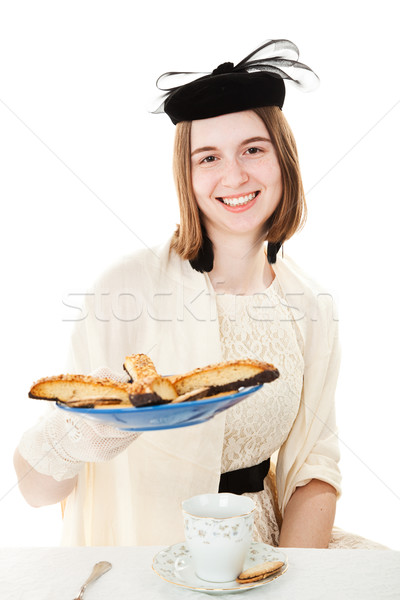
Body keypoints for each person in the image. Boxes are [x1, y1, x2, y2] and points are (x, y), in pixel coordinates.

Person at [14, 39, 386, 549]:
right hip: (146, 551)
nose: (234, 175)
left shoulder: (311, 304)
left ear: (285, 160)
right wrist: (90, 429)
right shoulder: (125, 289)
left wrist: (297, 577)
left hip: (262, 548)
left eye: (253, 149)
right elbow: (35, 489)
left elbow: (314, 467)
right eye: (207, 157)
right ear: (186, 177)